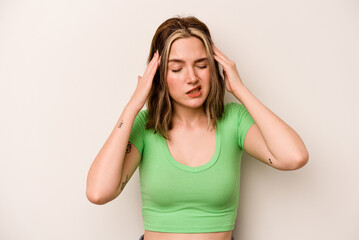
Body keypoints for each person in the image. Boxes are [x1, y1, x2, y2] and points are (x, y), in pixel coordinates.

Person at [86, 16, 309, 240]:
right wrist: (132, 106)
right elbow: (98, 193)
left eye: (202, 65)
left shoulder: (234, 120)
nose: (192, 78)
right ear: (158, 76)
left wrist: (240, 90)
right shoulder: (145, 125)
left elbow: (294, 157)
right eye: (176, 69)